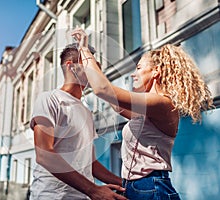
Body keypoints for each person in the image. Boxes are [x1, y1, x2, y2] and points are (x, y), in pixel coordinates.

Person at [71, 28, 214, 199]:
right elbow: (115, 104)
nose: (133, 74)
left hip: (152, 187)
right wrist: (91, 69)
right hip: (136, 187)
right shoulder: (148, 109)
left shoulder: (162, 103)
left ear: (156, 71)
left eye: (139, 68)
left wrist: (85, 49)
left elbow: (103, 90)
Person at [30, 43, 126, 200]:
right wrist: (94, 190)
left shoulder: (86, 111)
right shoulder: (49, 99)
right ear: (71, 66)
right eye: (89, 65)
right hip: (52, 196)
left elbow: (91, 163)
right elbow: (44, 154)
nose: (96, 71)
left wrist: (123, 183)